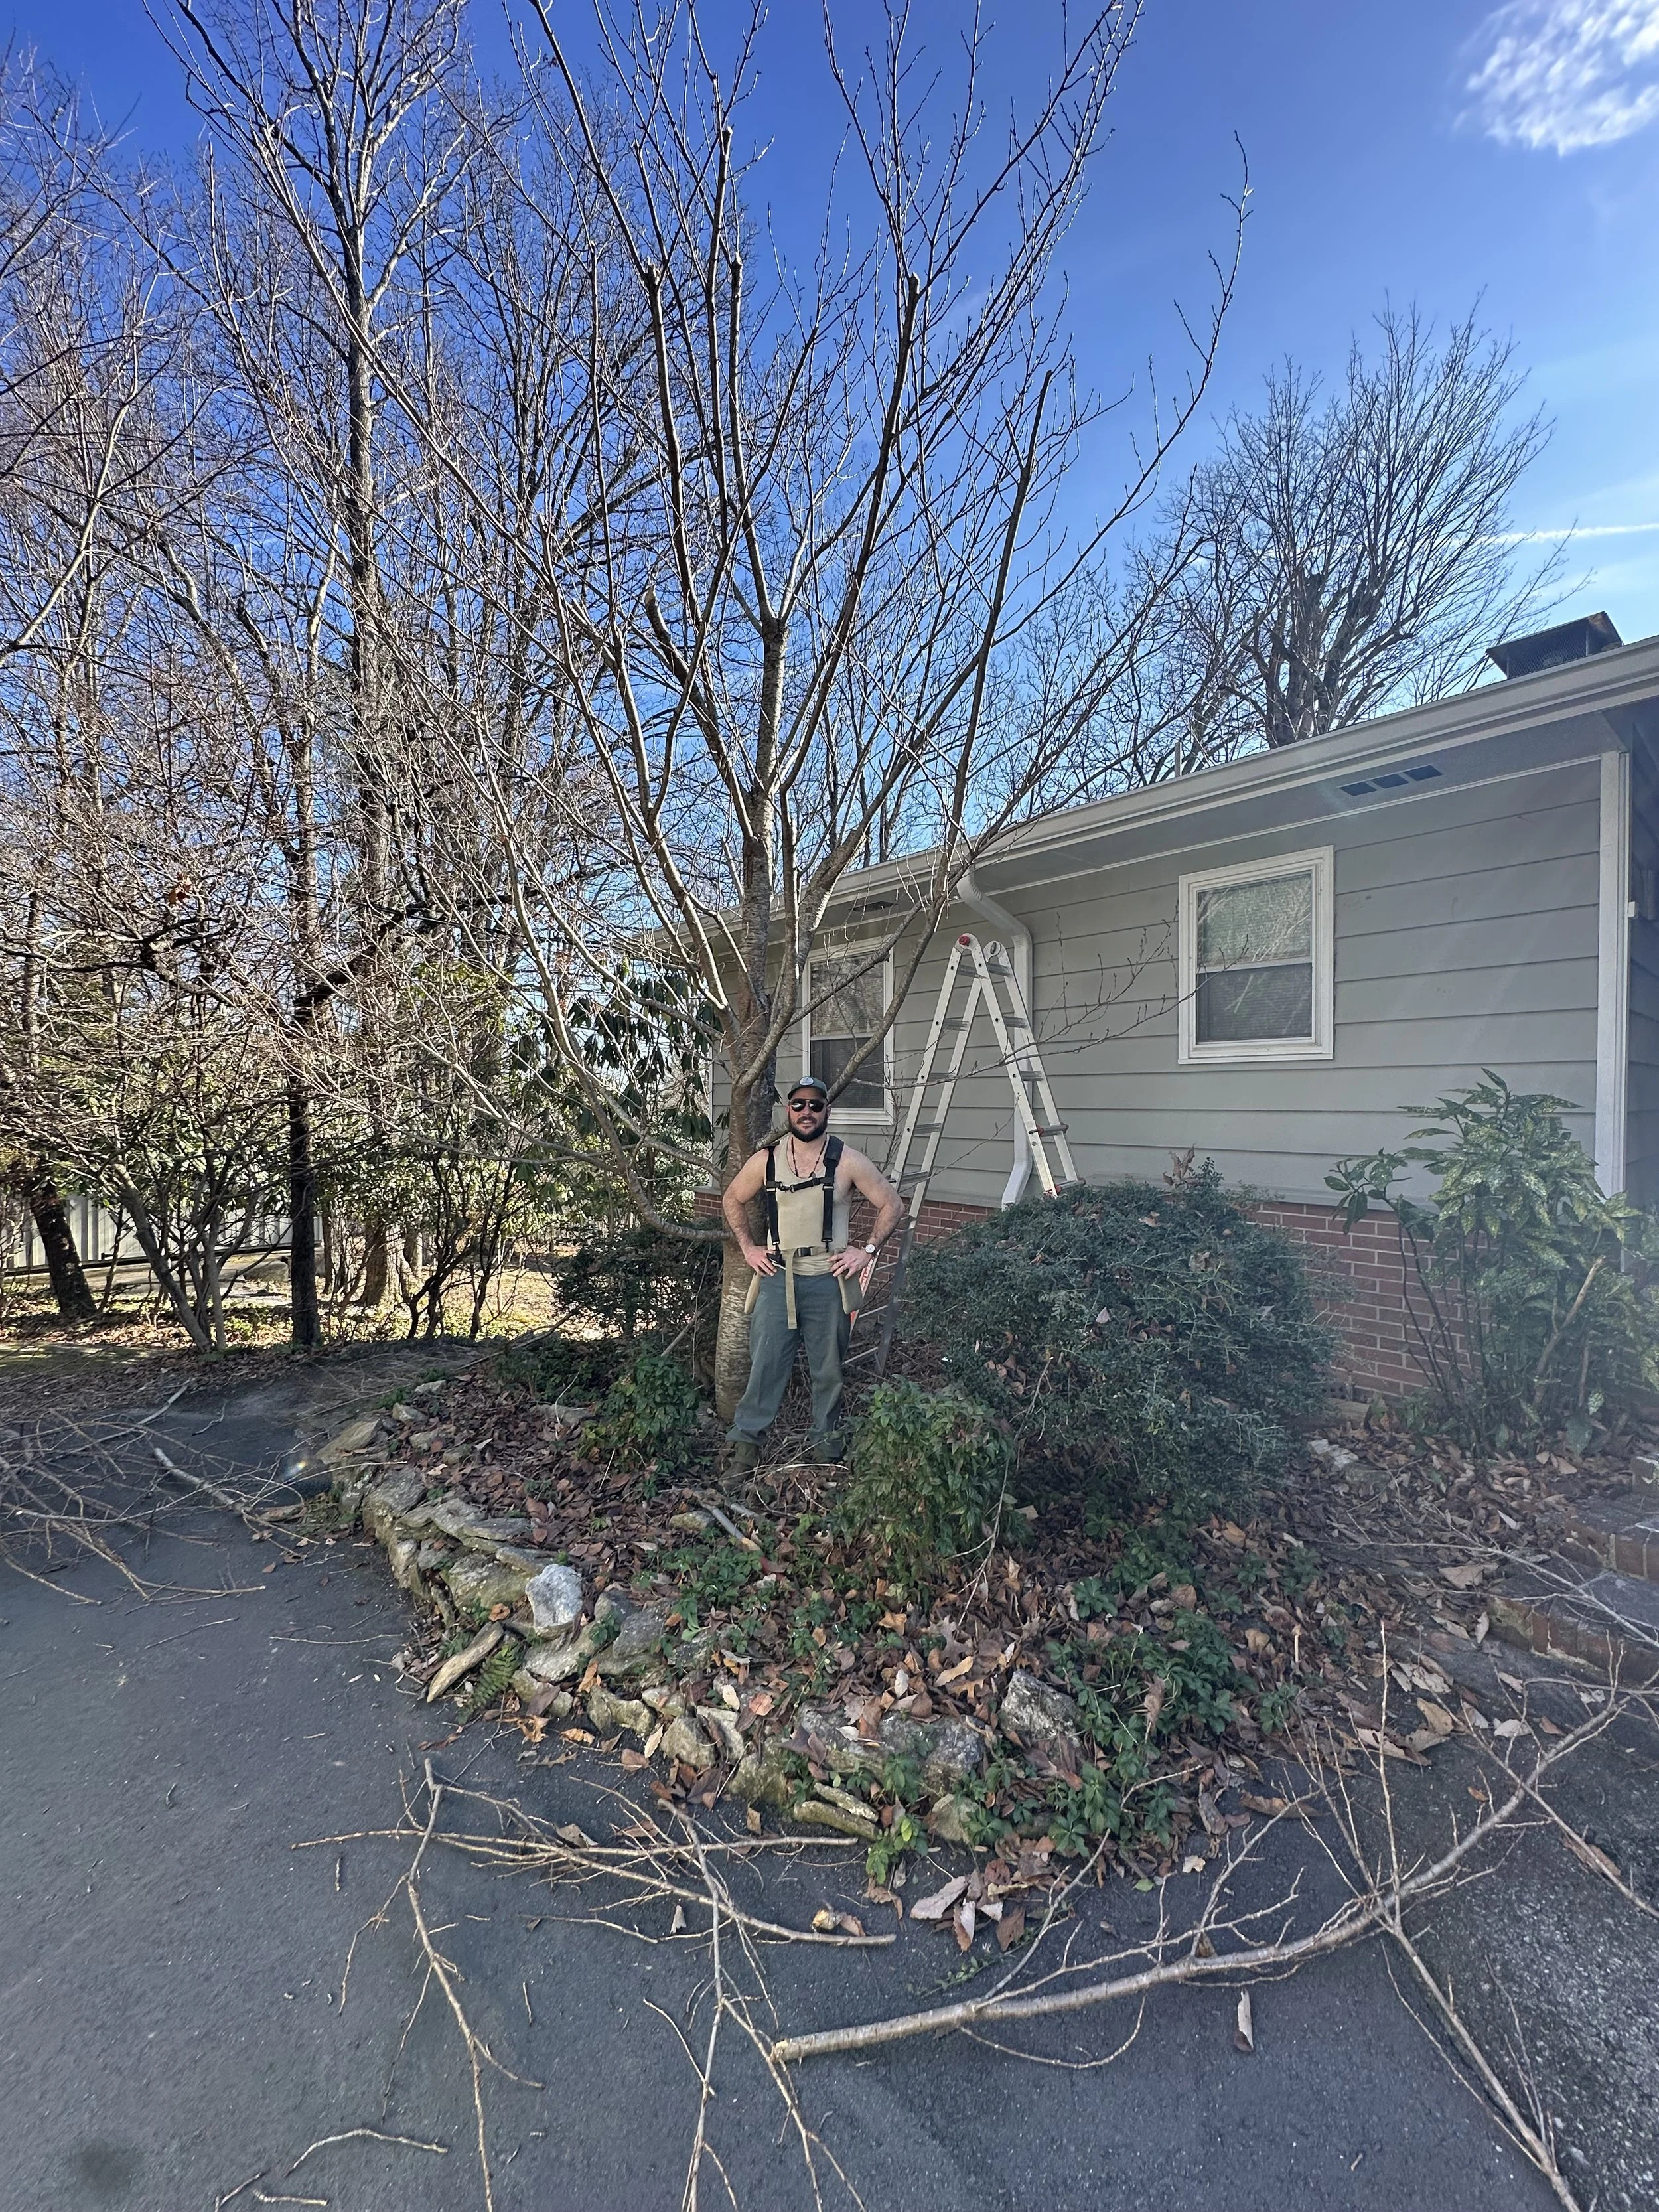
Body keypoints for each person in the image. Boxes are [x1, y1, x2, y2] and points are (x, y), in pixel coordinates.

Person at [721, 1075, 905, 1475]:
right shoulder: (766, 1160)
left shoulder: (847, 1160)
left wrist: (867, 1250)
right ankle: (746, 1445)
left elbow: (892, 1203)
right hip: (777, 1277)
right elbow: (732, 1198)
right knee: (766, 1364)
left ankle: (826, 1445)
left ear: (826, 1111)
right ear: (788, 1110)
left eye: (815, 1105)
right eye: (799, 1105)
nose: (807, 1112)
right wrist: (749, 1248)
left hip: (828, 1280)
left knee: (828, 1369)